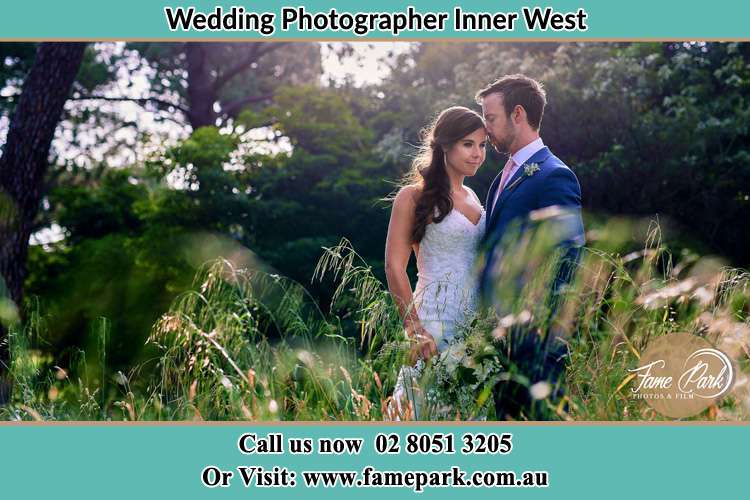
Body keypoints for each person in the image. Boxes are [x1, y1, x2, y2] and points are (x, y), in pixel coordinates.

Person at [476, 74, 585, 420]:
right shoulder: (501, 178)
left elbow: (567, 260)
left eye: (490, 119)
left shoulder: (554, 175)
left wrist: (540, 337)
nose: (485, 130)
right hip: (500, 345)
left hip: (534, 348)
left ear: (517, 114)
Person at [384, 106, 487, 418]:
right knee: (422, 410)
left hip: (474, 322)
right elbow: (393, 266)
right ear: (445, 145)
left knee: (469, 415)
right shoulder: (412, 197)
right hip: (434, 318)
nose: (478, 154)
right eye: (468, 144)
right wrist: (414, 327)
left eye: (482, 145)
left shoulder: (473, 197)